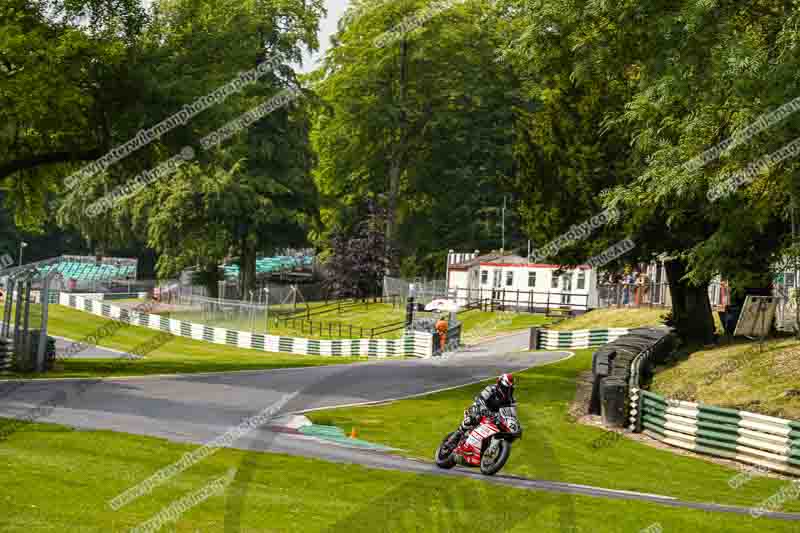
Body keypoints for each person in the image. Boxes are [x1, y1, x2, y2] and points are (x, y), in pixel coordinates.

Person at [446, 373, 515, 447]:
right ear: (500, 384)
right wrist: (484, 409)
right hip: (480, 408)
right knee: (474, 417)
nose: (507, 390)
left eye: (509, 388)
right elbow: (481, 399)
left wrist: (511, 422)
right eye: (505, 387)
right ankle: (455, 436)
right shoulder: (491, 389)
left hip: (493, 417)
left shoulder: (510, 399)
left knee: (499, 430)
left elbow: (511, 412)